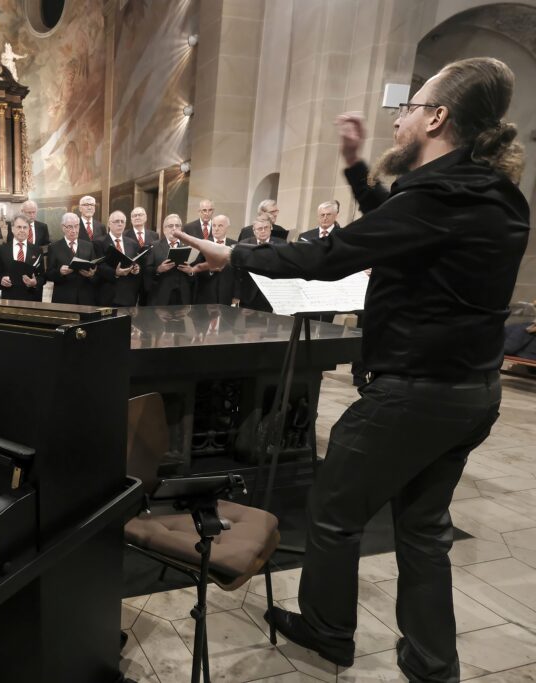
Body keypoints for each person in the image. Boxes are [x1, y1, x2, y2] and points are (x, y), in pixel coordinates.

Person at [179, 57, 529, 681]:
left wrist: (235, 253)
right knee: (424, 530)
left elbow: (338, 253)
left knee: (335, 512)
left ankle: (328, 631)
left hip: (412, 395)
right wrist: (355, 167)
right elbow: (397, 225)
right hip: (472, 393)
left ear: (438, 118)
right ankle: (431, 662)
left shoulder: (440, 196)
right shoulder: (493, 194)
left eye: (410, 107)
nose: (402, 117)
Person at [46, 212, 98, 304]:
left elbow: (96, 272)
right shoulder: (54, 247)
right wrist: (60, 272)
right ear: (63, 227)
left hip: (86, 297)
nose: (74, 230)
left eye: (76, 226)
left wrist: (91, 275)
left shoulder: (88, 246)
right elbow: (49, 274)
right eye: (70, 227)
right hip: (64, 297)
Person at [145, 214, 197, 305]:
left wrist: (190, 271)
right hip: (161, 297)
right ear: (164, 229)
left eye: (177, 226)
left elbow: (196, 274)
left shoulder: (189, 247)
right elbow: (147, 271)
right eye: (170, 226)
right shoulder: (154, 246)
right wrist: (158, 269)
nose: (174, 228)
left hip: (182, 298)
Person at [232, 216, 282, 312]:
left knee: (271, 325)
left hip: (272, 295)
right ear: (254, 230)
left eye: (266, 227)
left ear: (271, 228)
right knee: (249, 326)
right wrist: (236, 295)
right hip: (248, 295)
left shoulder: (281, 244)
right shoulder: (243, 245)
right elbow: (237, 272)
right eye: (260, 228)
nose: (263, 231)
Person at [94, 210, 143, 307]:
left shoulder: (132, 243)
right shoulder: (98, 242)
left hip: (128, 295)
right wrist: (115, 273)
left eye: (122, 221)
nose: (120, 224)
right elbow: (99, 266)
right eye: (116, 221)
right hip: (107, 294)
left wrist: (136, 269)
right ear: (109, 224)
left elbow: (136, 262)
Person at [0, 214, 45, 301]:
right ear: (12, 229)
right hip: (9, 297)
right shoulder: (2, 249)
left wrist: (35, 282)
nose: (22, 230)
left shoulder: (37, 250)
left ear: (29, 230)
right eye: (19, 227)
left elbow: (43, 276)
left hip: (31, 298)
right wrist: (1, 279)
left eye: (25, 227)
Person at [193, 214, 238, 305]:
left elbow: (237, 273)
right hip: (206, 293)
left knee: (226, 319)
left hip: (227, 295)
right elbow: (196, 268)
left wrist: (236, 295)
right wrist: (210, 269)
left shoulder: (235, 245)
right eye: (214, 225)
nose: (216, 229)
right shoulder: (203, 244)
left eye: (220, 225)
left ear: (227, 227)